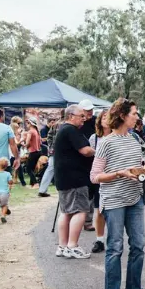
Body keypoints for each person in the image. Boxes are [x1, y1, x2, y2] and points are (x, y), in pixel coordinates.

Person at [91, 98, 145, 289]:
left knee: (138, 245)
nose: (137, 117)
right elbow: (95, 176)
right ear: (122, 115)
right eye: (134, 113)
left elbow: (136, 168)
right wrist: (118, 173)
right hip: (114, 200)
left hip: (135, 197)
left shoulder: (135, 139)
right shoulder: (106, 142)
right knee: (115, 247)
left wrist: (143, 171)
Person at [53, 105, 96, 259]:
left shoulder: (63, 130)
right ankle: (72, 246)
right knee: (80, 211)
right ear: (71, 116)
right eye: (81, 116)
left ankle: (62, 245)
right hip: (75, 178)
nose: (84, 119)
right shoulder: (71, 130)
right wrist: (96, 151)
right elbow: (85, 150)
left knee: (66, 212)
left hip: (64, 178)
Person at [88, 112, 111, 253]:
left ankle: (114, 238)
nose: (106, 120)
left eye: (108, 117)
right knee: (99, 210)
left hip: (114, 177)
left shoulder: (117, 136)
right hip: (100, 178)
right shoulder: (94, 138)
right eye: (103, 117)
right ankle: (99, 239)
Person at [78, 100, 97, 232]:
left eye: (90, 109)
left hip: (95, 158)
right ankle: (84, 219)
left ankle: (89, 219)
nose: (89, 112)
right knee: (86, 190)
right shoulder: (78, 124)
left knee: (94, 189)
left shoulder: (96, 121)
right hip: (82, 158)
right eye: (87, 110)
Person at [38, 118, 59, 198]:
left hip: (53, 151)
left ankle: (42, 190)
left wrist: (51, 147)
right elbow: (49, 136)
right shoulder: (65, 125)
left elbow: (49, 136)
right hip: (60, 152)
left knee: (49, 170)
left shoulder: (55, 125)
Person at [0, 158, 14, 224]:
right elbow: (10, 182)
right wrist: (10, 182)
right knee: (4, 205)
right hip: (4, 193)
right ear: (6, 167)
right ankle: (3, 216)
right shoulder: (7, 174)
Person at [23, 117, 42, 189]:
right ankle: (32, 184)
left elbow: (27, 143)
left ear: (31, 123)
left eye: (28, 123)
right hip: (38, 151)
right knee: (32, 169)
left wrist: (23, 144)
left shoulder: (30, 131)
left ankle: (36, 183)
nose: (27, 124)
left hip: (32, 152)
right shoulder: (36, 131)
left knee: (28, 168)